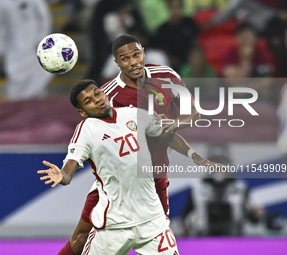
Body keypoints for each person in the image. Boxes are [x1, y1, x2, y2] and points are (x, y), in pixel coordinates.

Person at [38, 79, 223, 254]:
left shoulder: (134, 113)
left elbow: (167, 135)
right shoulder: (87, 129)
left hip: (152, 220)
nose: (97, 100)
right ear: (83, 112)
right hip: (114, 224)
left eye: (97, 93)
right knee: (80, 238)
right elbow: (70, 168)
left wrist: (194, 156)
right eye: (88, 101)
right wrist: (63, 176)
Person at [56, 34, 200, 255]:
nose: (133, 62)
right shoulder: (108, 94)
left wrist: (169, 126)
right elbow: (91, 134)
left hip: (155, 177)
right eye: (125, 58)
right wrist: (68, 172)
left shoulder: (166, 75)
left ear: (143, 52)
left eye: (136, 54)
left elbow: (193, 114)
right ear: (116, 62)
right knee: (82, 236)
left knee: (155, 237)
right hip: (117, 182)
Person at [0, 0, 53, 100]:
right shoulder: (1, 3)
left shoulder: (36, 2)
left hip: (34, 50)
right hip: (13, 53)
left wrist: (41, 41)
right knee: (16, 87)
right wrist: (0, 51)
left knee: (38, 85)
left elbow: (44, 18)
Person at [154, 0, 199, 71]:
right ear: (169, 8)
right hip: (172, 64)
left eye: (179, 7)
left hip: (190, 60)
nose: (176, 10)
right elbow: (162, 50)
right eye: (174, 7)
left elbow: (195, 41)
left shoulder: (189, 22)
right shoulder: (163, 29)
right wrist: (172, 60)